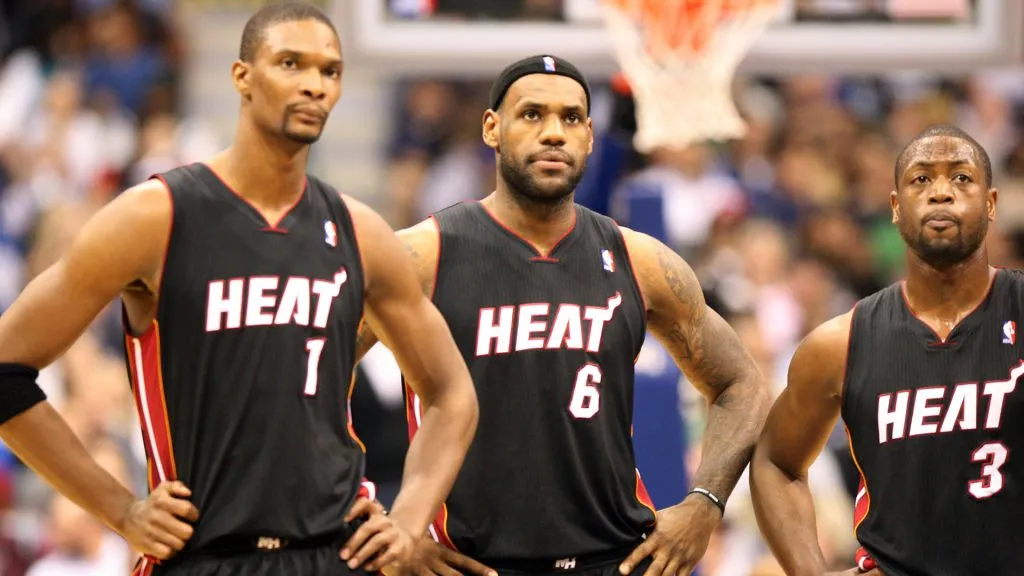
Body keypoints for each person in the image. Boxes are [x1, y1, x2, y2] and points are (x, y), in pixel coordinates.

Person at [0, 3, 479, 575]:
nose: (313, 84)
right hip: (204, 555)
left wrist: (407, 520)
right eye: (291, 63)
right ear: (242, 77)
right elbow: (6, 369)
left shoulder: (361, 233)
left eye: (329, 71)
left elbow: (452, 393)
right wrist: (121, 509)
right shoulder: (154, 218)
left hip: (333, 553)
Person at [355, 55, 770, 576]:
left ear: (590, 136)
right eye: (532, 114)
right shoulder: (422, 255)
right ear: (492, 128)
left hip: (616, 559)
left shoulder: (638, 260)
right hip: (468, 562)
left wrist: (705, 503)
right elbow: (310, 380)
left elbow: (741, 383)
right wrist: (385, 524)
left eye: (571, 118)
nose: (554, 133)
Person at [750, 124, 1023, 576]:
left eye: (961, 177)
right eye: (921, 178)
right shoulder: (840, 343)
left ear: (991, 203)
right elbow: (774, 463)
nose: (941, 192)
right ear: (895, 207)